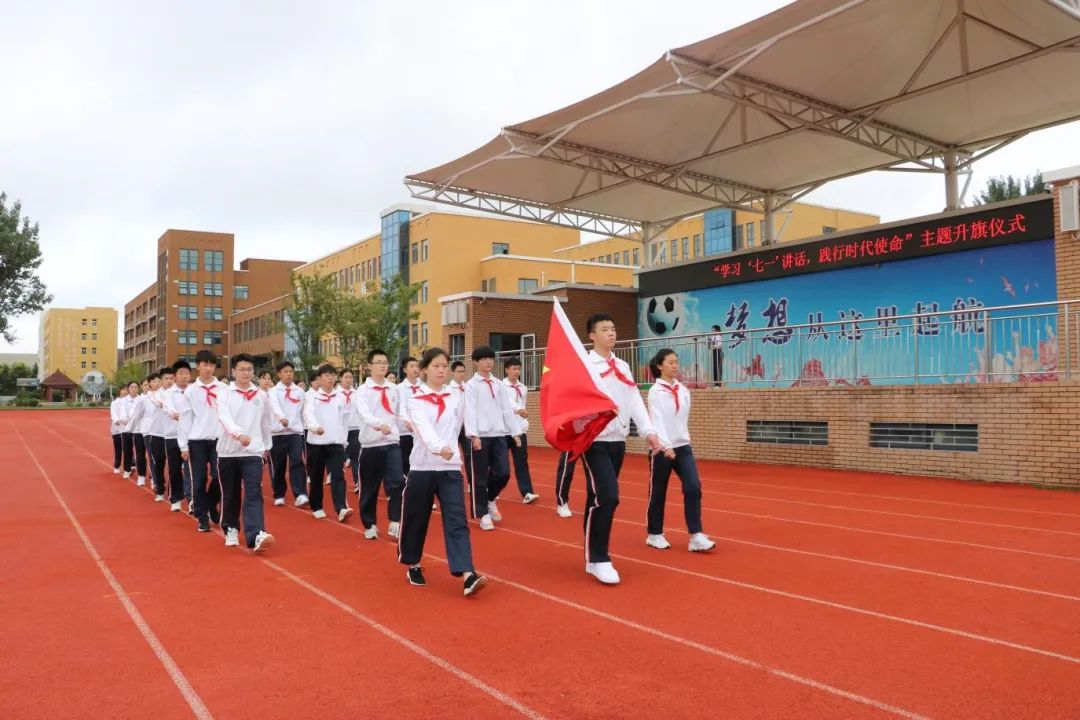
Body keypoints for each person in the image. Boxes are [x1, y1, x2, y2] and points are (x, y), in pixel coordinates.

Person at [579, 313, 663, 585]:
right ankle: (599, 558)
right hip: (594, 441)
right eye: (605, 329)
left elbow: (634, 399)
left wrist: (649, 431)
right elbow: (575, 400)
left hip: (618, 441)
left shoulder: (623, 366)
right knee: (609, 496)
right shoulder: (585, 366)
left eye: (613, 329)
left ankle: (591, 551)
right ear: (592, 336)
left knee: (597, 497)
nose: (611, 333)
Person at [398, 347, 486, 597]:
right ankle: (413, 563)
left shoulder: (455, 395)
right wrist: (439, 448)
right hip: (423, 467)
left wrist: (473, 435)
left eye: (444, 366)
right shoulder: (415, 399)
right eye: (435, 366)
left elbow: (466, 418)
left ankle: (467, 573)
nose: (441, 370)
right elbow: (423, 429)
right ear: (424, 369)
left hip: (449, 469)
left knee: (457, 520)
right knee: (416, 519)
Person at [645, 349, 716, 553]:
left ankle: (696, 535)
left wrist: (682, 442)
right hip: (661, 449)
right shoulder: (655, 392)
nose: (675, 366)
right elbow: (657, 421)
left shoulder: (683, 390)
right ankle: (654, 533)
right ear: (660, 366)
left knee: (693, 487)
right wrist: (665, 447)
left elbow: (682, 420)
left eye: (677, 362)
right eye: (671, 362)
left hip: (682, 447)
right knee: (658, 492)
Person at [216, 353, 275, 553]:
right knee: (231, 494)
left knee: (254, 493)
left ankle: (256, 534)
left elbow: (266, 422)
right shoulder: (224, 394)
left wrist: (266, 446)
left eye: (249, 370)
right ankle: (231, 528)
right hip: (228, 452)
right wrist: (239, 434)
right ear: (233, 371)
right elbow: (224, 418)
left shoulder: (261, 395)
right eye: (242, 369)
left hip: (253, 452)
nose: (246, 373)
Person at [462, 346, 519, 530]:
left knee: (503, 473)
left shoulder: (498, 384)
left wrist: (515, 432)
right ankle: (483, 513)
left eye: (491, 359)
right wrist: (474, 435)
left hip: (498, 435)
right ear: (476, 362)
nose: (488, 362)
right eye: (484, 359)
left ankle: (490, 499)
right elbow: (468, 411)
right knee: (479, 478)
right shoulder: (471, 385)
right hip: (481, 436)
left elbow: (506, 410)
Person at [354, 349, 404, 539]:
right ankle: (370, 524)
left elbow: (398, 412)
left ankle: (395, 520)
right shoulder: (363, 391)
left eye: (385, 362)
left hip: (392, 442)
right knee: (370, 488)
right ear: (369, 366)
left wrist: (404, 424)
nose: (383, 365)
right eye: (378, 362)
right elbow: (364, 413)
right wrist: (378, 425)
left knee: (398, 481)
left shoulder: (393, 389)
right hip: (371, 445)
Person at [178, 350, 226, 533]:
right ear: (197, 366)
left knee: (219, 477)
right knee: (198, 481)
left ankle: (212, 503)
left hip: (218, 440)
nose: (208, 368)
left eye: (212, 365)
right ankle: (202, 516)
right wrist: (183, 445)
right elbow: (185, 419)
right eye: (205, 365)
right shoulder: (191, 391)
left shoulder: (223, 389)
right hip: (196, 441)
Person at [303, 364, 354, 522]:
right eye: (327, 375)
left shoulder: (340, 397)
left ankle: (341, 508)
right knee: (316, 476)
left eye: (333, 375)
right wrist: (315, 427)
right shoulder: (311, 396)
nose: (330, 378)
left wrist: (343, 440)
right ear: (319, 378)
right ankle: (317, 506)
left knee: (338, 476)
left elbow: (344, 421)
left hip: (335, 442)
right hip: (316, 443)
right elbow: (308, 414)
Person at [268, 361, 308, 508]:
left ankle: (301, 494)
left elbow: (303, 411)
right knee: (278, 465)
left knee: (297, 462)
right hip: (278, 433)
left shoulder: (299, 392)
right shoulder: (273, 392)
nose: (289, 374)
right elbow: (274, 407)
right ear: (279, 374)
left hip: (295, 432)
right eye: (285, 371)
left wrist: (307, 427)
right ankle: (279, 494)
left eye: (291, 371)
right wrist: (282, 418)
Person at [502, 358, 539, 504]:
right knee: (500, 464)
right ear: (507, 370)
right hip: (503, 431)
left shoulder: (523, 387)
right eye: (513, 369)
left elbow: (522, 405)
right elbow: (507, 404)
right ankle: (491, 489)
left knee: (521, 462)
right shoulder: (501, 386)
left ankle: (527, 492)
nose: (516, 372)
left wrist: (523, 424)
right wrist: (518, 410)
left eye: (518, 369)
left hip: (519, 431)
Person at [163, 359, 193, 513]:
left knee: (191, 469)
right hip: (173, 435)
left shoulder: (194, 391)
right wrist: (175, 414)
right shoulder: (168, 393)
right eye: (180, 373)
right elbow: (168, 408)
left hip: (191, 436)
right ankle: (175, 497)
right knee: (174, 469)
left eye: (187, 373)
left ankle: (192, 499)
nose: (184, 376)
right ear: (174, 376)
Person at [126, 376, 159, 487]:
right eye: (144, 385)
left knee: (152, 455)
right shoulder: (139, 400)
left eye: (147, 385)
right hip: (138, 430)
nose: (146, 387)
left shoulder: (156, 399)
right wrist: (129, 429)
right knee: (140, 454)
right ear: (142, 387)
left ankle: (154, 478)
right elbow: (134, 416)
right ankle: (141, 475)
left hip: (150, 431)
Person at [397, 357, 423, 481]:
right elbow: (400, 407)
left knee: (421, 462)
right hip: (406, 431)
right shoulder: (399, 388)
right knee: (405, 461)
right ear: (405, 370)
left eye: (416, 365)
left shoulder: (424, 387)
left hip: (422, 431)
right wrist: (407, 421)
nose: (415, 368)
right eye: (411, 366)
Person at [448, 360, 471, 489]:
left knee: (469, 455)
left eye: (463, 371)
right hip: (453, 427)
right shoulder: (448, 389)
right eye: (458, 371)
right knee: (452, 454)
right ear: (453, 373)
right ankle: (452, 481)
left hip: (466, 426)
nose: (461, 374)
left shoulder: (468, 387)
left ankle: (470, 482)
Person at [339, 368, 362, 494]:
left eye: (350, 377)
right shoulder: (336, 393)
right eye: (346, 377)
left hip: (354, 428)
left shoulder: (357, 394)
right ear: (341, 378)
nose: (348, 380)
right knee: (339, 457)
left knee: (355, 457)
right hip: (340, 430)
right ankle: (337, 478)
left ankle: (357, 481)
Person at [109, 384, 128, 474]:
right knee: (118, 448)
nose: (125, 391)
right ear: (120, 391)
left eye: (126, 390)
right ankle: (117, 465)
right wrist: (117, 420)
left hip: (127, 428)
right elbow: (113, 413)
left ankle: (130, 465)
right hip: (117, 428)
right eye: (123, 390)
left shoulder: (130, 401)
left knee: (128, 447)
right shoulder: (114, 402)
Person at [554, 451, 576, 518]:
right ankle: (562, 503)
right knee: (566, 469)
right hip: (572, 442)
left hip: (592, 441)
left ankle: (596, 503)